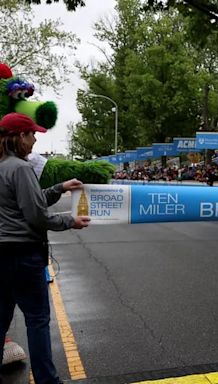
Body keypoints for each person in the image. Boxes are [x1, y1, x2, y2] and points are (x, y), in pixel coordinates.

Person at [0, 113, 90, 383]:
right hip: (24, 255)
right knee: (37, 320)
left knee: (1, 316)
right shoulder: (20, 167)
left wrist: (59, 188)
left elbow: (28, 201)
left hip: (2, 255)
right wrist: (69, 221)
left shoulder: (4, 166)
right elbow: (36, 215)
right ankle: (47, 380)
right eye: (31, 134)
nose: (35, 139)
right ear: (18, 137)